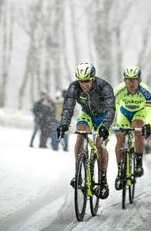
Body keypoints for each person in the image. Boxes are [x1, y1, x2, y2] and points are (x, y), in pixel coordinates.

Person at [57, 62, 115, 199]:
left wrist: (105, 127)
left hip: (104, 117)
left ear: (93, 78)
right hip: (87, 114)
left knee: (100, 144)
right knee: (80, 134)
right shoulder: (74, 87)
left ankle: (103, 180)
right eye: (81, 81)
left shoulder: (104, 87)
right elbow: (68, 108)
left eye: (87, 81)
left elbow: (110, 109)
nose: (84, 85)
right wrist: (64, 124)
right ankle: (78, 174)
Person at [114, 66, 151, 190]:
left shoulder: (145, 91)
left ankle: (138, 163)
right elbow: (112, 108)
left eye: (134, 80)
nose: (131, 83)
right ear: (124, 80)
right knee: (120, 137)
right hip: (124, 113)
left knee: (138, 130)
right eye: (128, 80)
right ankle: (120, 172)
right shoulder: (119, 90)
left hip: (139, 113)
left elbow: (148, 111)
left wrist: (147, 124)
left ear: (139, 80)